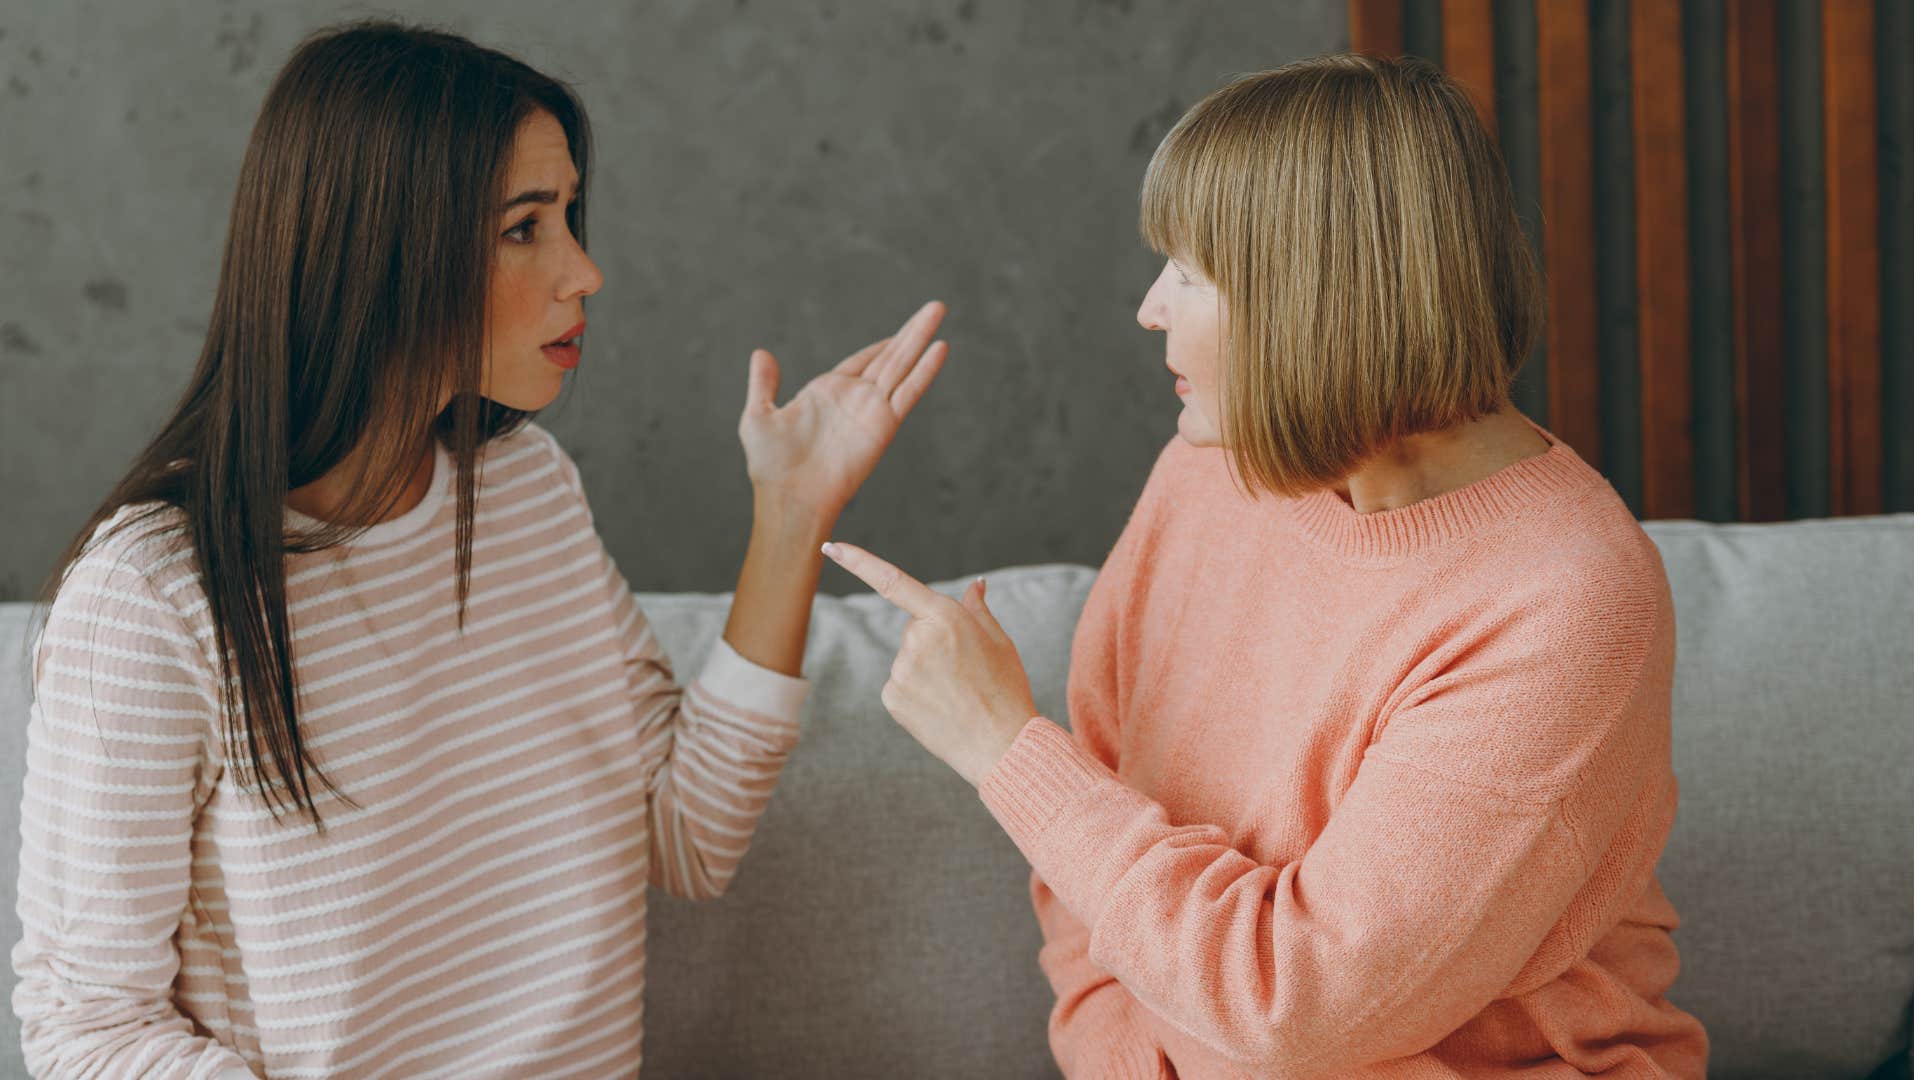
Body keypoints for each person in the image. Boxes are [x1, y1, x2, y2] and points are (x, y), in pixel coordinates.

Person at [13, 20, 947, 1078]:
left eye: (569, 216)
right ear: (382, 248)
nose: (584, 271)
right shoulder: (154, 593)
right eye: (523, 228)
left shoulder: (526, 493)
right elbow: (85, 1029)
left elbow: (688, 834)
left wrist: (790, 514)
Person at [825, 54, 1710, 1077]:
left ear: (1317, 292)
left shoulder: (1567, 598)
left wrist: (1003, 748)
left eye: (1190, 272)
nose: (1150, 308)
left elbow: (1303, 1002)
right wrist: (1123, 1054)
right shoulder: (1213, 476)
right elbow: (1088, 855)